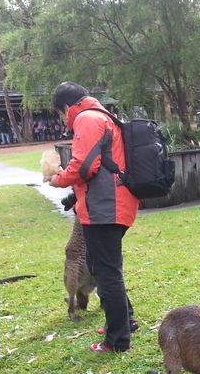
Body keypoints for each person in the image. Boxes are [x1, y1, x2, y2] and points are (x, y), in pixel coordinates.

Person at [47, 82, 140, 352]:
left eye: (61, 113)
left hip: (105, 207)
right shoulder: (102, 115)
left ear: (66, 106)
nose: (64, 119)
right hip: (109, 203)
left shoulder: (87, 119)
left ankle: (117, 340)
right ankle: (121, 324)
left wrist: (58, 180)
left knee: (107, 271)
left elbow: (85, 166)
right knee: (103, 267)